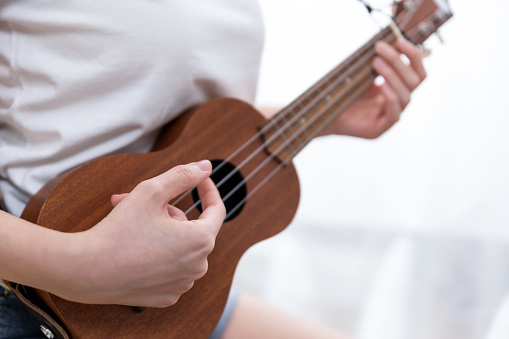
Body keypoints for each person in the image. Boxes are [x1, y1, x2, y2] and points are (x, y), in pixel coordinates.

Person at [0, 1, 426, 338]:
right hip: (28, 295)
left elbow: (174, 121)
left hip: (166, 308)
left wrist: (324, 116)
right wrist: (82, 267)